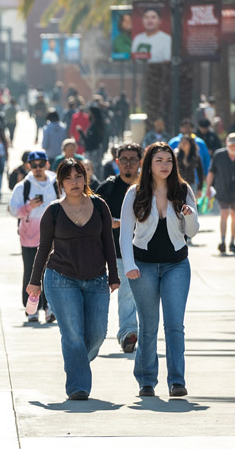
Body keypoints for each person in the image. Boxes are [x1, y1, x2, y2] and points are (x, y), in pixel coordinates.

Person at [26, 158, 120, 400]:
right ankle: (78, 387)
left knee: (97, 334)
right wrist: (34, 281)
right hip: (61, 279)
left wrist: (114, 275)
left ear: (85, 178)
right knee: (73, 334)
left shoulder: (99, 206)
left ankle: (75, 361)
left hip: (96, 279)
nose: (74, 182)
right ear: (60, 183)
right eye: (68, 178)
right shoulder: (53, 211)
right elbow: (43, 247)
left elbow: (108, 242)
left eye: (78, 176)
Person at [119, 142, 199, 397]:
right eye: (159, 160)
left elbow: (192, 232)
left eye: (169, 160)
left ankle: (177, 381)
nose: (165, 165)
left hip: (177, 265)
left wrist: (189, 215)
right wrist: (129, 264)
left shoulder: (183, 190)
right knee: (149, 325)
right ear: (149, 165)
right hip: (143, 266)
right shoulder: (135, 193)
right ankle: (146, 380)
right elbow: (125, 232)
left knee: (175, 325)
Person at [96, 143, 142, 353]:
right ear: (117, 162)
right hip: (116, 251)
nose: (128, 164)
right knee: (125, 293)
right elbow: (92, 215)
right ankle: (127, 333)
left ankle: (139, 333)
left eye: (133, 160)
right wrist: (109, 223)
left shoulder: (148, 187)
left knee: (142, 296)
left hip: (146, 252)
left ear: (140, 162)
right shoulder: (107, 188)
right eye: (124, 160)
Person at [9, 151, 60, 323]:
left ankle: (49, 307)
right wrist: (29, 206)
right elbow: (13, 210)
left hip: (53, 237)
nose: (38, 168)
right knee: (31, 272)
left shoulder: (56, 184)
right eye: (34, 165)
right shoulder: (23, 187)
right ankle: (31, 308)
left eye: (41, 164)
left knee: (51, 273)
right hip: (29, 237)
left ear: (47, 164)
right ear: (28, 166)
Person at [205, 133, 235, 254]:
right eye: (231, 145)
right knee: (224, 212)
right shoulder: (219, 155)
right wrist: (208, 188)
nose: (233, 147)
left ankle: (232, 241)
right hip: (222, 189)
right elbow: (211, 172)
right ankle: (222, 241)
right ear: (226, 143)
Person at [79, 107, 105, 178]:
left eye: (89, 113)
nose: (88, 114)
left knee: (93, 169)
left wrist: (81, 132)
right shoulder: (97, 124)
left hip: (93, 151)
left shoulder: (95, 126)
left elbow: (89, 140)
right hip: (96, 150)